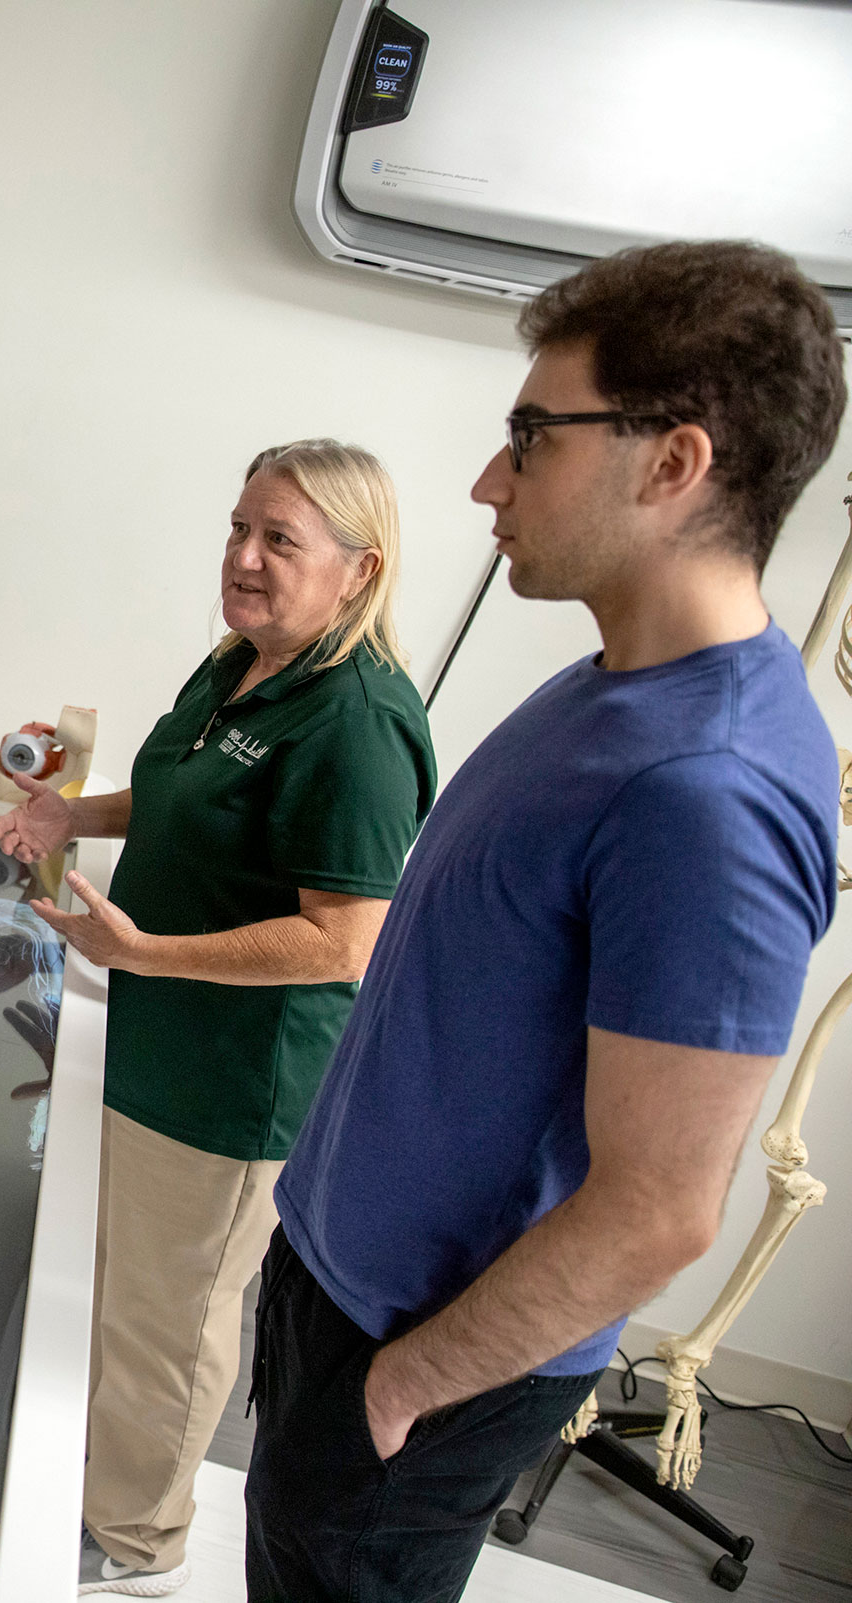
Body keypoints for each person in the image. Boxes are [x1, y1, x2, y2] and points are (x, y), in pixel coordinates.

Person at [246, 241, 846, 1602]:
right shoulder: (614, 687)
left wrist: (403, 1386)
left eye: (531, 435)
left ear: (674, 461)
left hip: (417, 1357)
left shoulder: (714, 788)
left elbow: (659, 1208)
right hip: (341, 1292)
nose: (486, 480)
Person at [0, 441, 436, 1596]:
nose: (242, 558)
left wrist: (148, 951)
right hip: (144, 1037)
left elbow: (344, 940)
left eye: (279, 541)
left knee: (166, 1329)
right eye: (239, 528)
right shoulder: (241, 664)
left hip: (228, 1087)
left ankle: (136, 1549)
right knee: (115, 1297)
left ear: (359, 568)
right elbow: (185, 794)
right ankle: (80, 1493)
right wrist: (72, 811)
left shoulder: (361, 721)